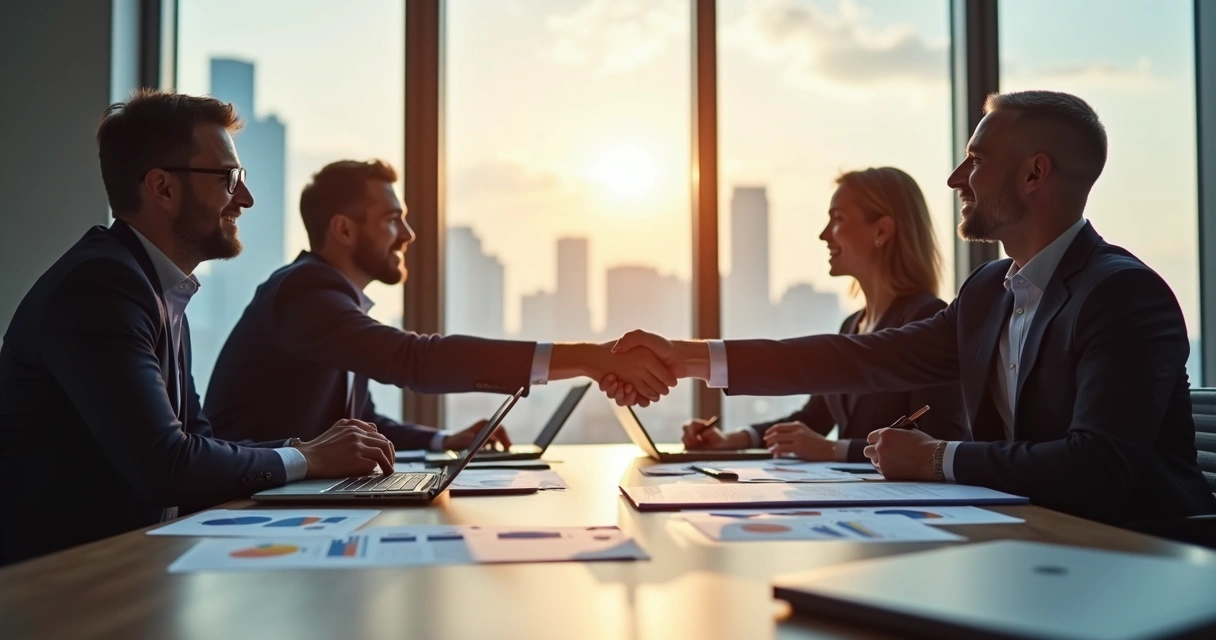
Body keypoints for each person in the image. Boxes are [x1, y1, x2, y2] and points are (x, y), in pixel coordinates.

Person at [605, 90, 1216, 525]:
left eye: (976, 160)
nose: (956, 178)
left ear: (1035, 175)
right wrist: (687, 357)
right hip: (1029, 538)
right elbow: (857, 359)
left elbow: (1099, 467)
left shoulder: (1122, 295)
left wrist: (938, 458)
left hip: (1141, 556)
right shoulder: (987, 293)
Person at [0, 91, 398, 565]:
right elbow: (167, 464)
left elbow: (200, 443)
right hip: (58, 583)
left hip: (129, 565)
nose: (245, 198)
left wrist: (306, 450)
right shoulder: (100, 286)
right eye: (229, 179)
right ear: (163, 188)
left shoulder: (158, 289)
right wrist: (308, 458)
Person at [204, 159, 675, 451]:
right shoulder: (304, 293)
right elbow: (416, 359)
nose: (408, 235)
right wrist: (588, 358)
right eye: (393, 220)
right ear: (344, 229)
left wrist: (443, 440)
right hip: (238, 511)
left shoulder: (327, 301)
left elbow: (363, 421)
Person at [680, 168, 968, 461]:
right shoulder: (852, 324)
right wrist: (733, 439)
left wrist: (831, 449)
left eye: (838, 219)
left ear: (881, 231)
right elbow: (813, 418)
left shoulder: (928, 319)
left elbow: (934, 442)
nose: (823, 234)